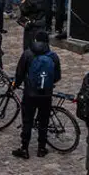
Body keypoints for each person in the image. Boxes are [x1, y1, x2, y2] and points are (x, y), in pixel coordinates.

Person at [13, 31, 61, 159]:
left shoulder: (28, 54)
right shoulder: (53, 56)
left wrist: (15, 84)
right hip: (46, 95)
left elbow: (20, 73)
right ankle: (41, 148)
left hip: (30, 94)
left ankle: (24, 148)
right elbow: (57, 76)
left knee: (27, 120)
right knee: (44, 121)